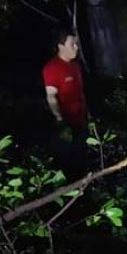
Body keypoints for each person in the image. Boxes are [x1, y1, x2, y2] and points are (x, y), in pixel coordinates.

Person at [42, 28, 89, 175]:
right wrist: (60, 119)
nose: (76, 47)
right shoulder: (52, 68)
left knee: (83, 158)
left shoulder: (75, 66)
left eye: (76, 44)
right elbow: (51, 97)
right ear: (61, 46)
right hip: (66, 126)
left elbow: (80, 93)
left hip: (81, 120)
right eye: (72, 44)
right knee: (69, 163)